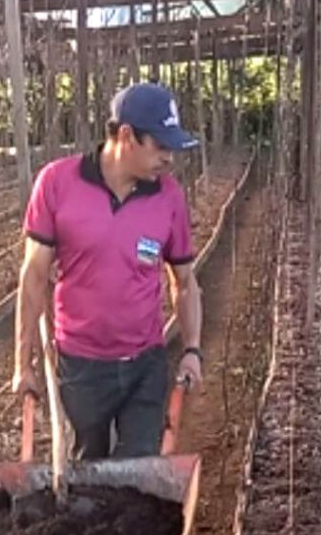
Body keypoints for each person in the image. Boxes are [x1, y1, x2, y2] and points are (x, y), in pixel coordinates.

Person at [13, 83, 204, 460]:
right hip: (81, 365)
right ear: (127, 136)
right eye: (161, 147)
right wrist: (23, 364)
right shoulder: (57, 183)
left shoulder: (168, 198)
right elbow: (34, 276)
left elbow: (184, 283)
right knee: (89, 471)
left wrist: (192, 349)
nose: (169, 159)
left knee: (137, 470)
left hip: (145, 363)